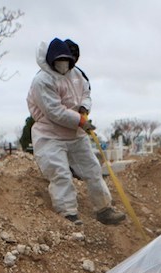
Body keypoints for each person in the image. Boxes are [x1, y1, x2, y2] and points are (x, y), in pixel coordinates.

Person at [26, 38, 125, 226]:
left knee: (93, 170)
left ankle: (104, 209)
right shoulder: (42, 81)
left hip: (76, 134)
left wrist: (83, 109)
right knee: (60, 173)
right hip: (50, 135)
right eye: (59, 61)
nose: (64, 65)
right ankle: (68, 214)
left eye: (67, 61)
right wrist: (79, 120)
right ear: (50, 61)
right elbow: (53, 111)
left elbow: (86, 93)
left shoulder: (77, 74)